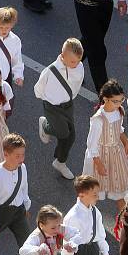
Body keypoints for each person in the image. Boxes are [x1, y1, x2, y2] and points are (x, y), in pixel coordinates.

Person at [34, 38, 84, 180]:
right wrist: (49, 98)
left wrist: (69, 98)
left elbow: (77, 84)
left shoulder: (79, 66)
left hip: (68, 105)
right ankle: (45, 125)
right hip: (52, 107)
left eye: (79, 61)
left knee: (71, 136)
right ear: (62, 57)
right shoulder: (50, 71)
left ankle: (60, 162)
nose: (77, 64)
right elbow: (38, 89)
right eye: (73, 61)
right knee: (63, 132)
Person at [82, 79, 128, 211]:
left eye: (121, 100)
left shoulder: (119, 111)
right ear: (105, 99)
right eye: (115, 101)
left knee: (121, 190)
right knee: (94, 192)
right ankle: (88, 217)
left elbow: (119, 130)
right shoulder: (98, 119)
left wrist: (126, 142)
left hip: (116, 153)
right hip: (100, 156)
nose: (119, 104)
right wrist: (98, 164)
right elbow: (91, 145)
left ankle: (122, 224)